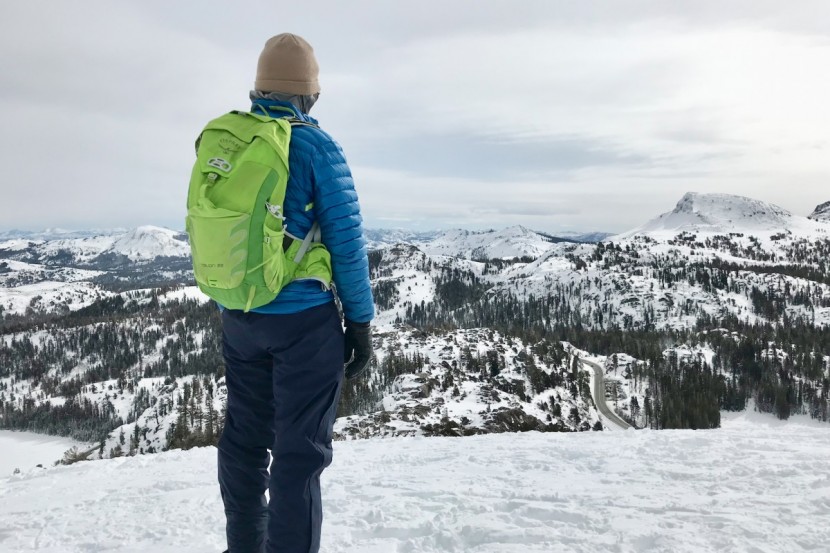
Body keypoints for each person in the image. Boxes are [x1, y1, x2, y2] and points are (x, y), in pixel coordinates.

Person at [216, 33, 375, 553]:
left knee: (244, 441)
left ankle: (244, 546)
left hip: (239, 316)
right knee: (298, 454)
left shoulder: (228, 139)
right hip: (303, 323)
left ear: (259, 88)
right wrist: (360, 324)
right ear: (310, 93)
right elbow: (347, 245)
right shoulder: (314, 146)